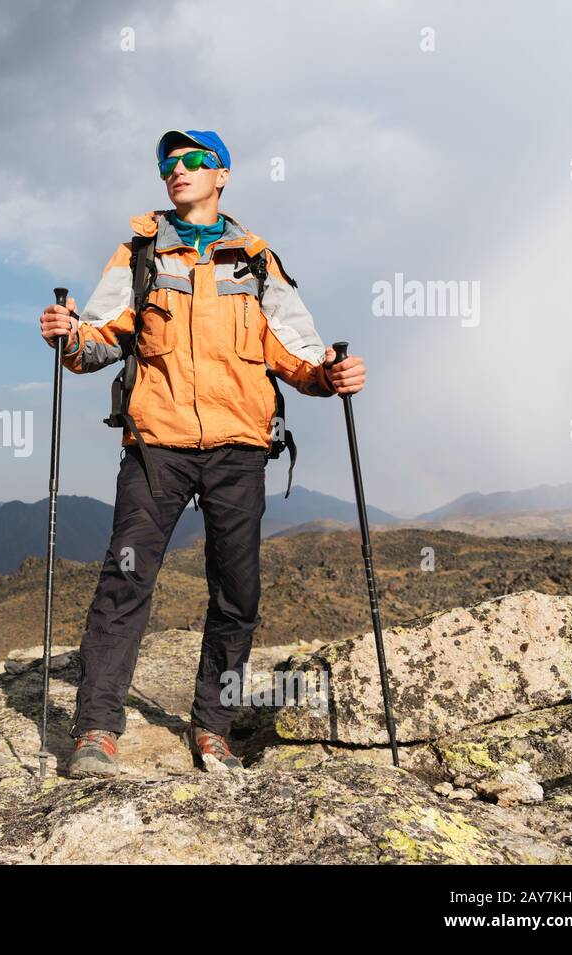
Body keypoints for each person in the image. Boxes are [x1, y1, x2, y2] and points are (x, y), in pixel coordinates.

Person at [37, 128, 366, 776]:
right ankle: (96, 730)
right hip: (157, 443)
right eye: (168, 162)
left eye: (192, 161)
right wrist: (68, 335)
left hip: (240, 446)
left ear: (223, 175)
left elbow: (299, 353)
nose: (176, 170)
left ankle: (211, 727)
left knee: (237, 591)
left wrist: (332, 373)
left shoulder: (256, 261)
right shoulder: (138, 253)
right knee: (126, 578)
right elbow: (97, 339)